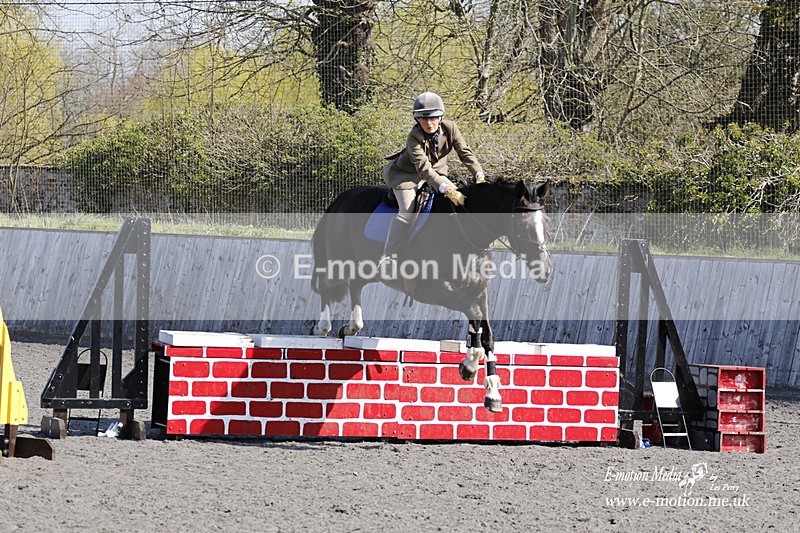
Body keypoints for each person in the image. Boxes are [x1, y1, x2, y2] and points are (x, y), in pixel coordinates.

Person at [380, 91, 486, 263]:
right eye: (424, 119)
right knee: (407, 209)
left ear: (441, 117)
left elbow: (464, 152)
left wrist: (479, 174)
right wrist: (444, 187)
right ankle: (389, 256)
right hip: (406, 175)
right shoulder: (414, 136)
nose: (429, 123)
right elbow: (424, 169)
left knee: (462, 200)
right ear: (417, 120)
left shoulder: (451, 128)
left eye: (433, 118)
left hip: (435, 173)